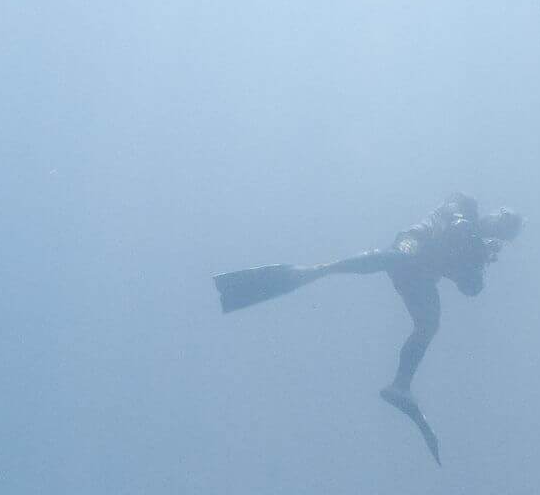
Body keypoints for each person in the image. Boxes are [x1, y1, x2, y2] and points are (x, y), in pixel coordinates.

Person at [212, 195, 522, 462]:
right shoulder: (466, 205)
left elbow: (470, 289)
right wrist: (468, 236)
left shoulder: (478, 252)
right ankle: (316, 272)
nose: (500, 226)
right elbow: (450, 216)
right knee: (399, 255)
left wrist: (481, 262)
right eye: (503, 219)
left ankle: (400, 386)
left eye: (506, 230)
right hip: (413, 245)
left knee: (429, 324)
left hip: (420, 280)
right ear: (496, 212)